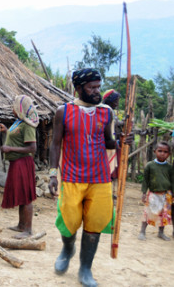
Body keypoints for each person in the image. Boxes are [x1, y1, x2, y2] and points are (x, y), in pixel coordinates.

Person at [48, 68, 133, 287]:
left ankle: (85, 268)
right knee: (69, 222)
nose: (97, 91)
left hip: (100, 178)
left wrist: (122, 141)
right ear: (78, 88)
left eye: (98, 86)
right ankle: (67, 249)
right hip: (71, 176)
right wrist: (51, 174)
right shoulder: (63, 112)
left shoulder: (106, 112)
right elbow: (56, 144)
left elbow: (108, 142)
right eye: (91, 87)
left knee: (94, 223)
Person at [0, 95, 39, 239]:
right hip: (17, 163)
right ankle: (21, 225)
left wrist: (10, 149)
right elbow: (18, 138)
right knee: (21, 193)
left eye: (14, 107)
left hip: (23, 163)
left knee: (26, 196)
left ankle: (28, 229)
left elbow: (32, 148)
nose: (12, 109)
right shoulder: (19, 122)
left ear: (21, 108)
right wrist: (6, 130)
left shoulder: (28, 125)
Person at [138, 141, 173, 241]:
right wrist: (144, 193)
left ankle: (161, 233)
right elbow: (145, 180)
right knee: (149, 212)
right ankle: (142, 231)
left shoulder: (169, 168)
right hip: (153, 194)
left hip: (167, 195)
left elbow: (172, 181)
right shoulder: (150, 165)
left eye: (165, 152)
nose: (162, 153)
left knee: (164, 215)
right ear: (154, 151)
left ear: (169, 154)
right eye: (160, 151)